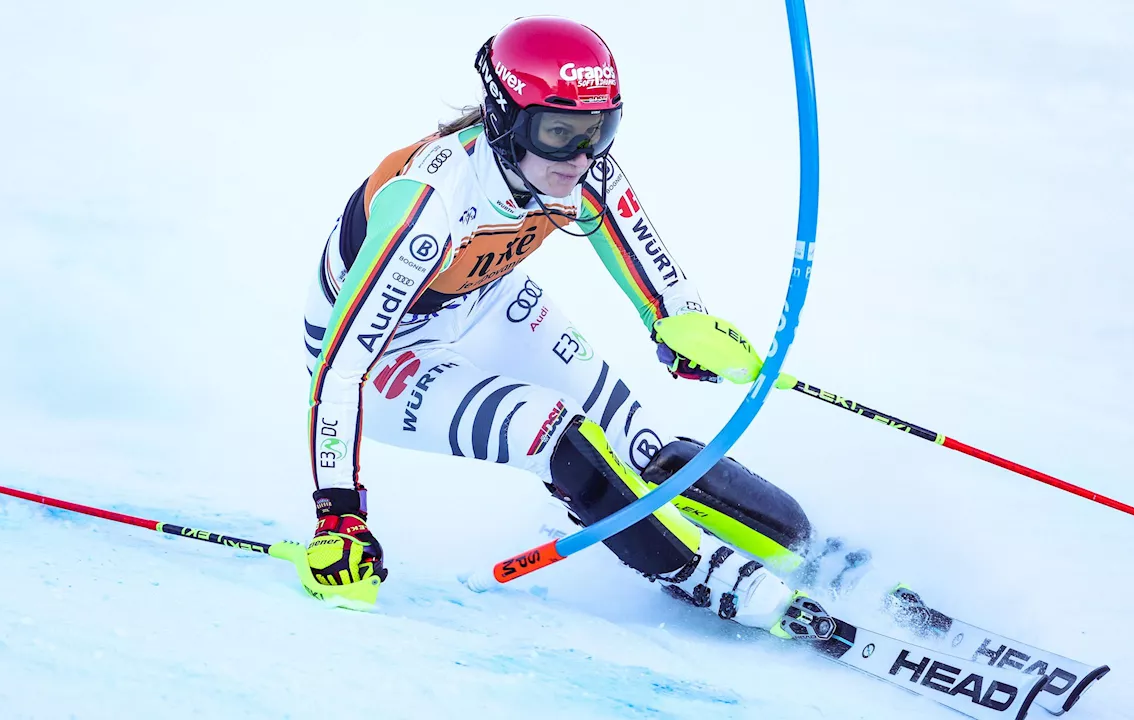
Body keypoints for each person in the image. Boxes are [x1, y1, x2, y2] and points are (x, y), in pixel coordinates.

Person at [303, 16, 823, 638]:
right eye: (557, 133)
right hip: (387, 354)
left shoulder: (580, 168)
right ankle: (708, 576)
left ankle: (796, 542)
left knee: (638, 445)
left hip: (487, 300)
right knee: (555, 435)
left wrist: (680, 327)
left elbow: (658, 278)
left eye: (599, 130)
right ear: (504, 117)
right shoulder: (429, 205)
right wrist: (339, 513)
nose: (579, 158)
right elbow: (341, 369)